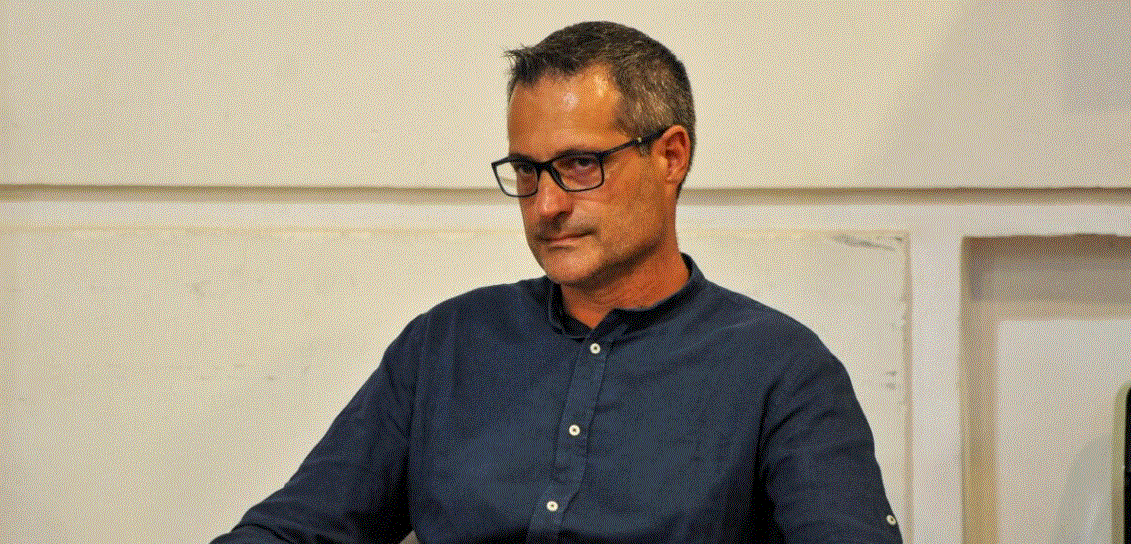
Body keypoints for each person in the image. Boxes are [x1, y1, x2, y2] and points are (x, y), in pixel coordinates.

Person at [213, 21, 902, 544]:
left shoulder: (779, 368)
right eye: (526, 171)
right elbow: (295, 528)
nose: (545, 205)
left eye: (578, 165)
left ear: (670, 156)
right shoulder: (447, 345)